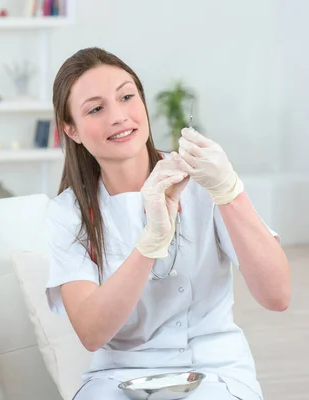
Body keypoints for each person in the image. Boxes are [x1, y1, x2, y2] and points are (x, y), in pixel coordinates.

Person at [45, 47, 290, 400]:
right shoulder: (68, 213)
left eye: (127, 97)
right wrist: (151, 242)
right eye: (96, 109)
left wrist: (229, 191)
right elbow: (91, 332)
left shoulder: (204, 181)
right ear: (72, 130)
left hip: (215, 370)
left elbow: (277, 296)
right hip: (117, 377)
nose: (118, 116)